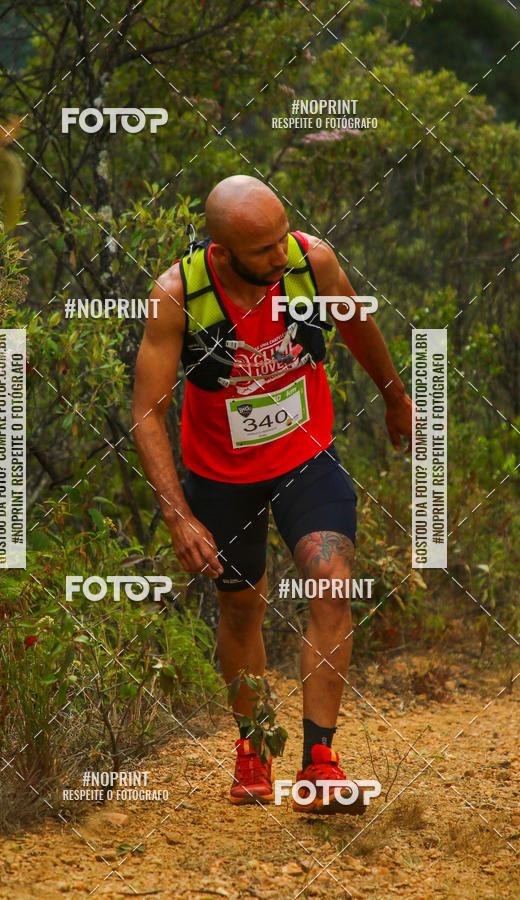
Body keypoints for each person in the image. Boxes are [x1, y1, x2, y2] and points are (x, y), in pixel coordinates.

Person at [132, 175, 412, 812]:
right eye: (263, 250)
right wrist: (178, 516)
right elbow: (146, 412)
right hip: (220, 477)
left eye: (283, 236)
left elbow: (356, 322)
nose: (281, 255)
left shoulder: (310, 263)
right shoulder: (178, 295)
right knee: (241, 609)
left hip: (304, 458)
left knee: (331, 579)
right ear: (223, 253)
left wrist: (394, 395)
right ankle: (253, 745)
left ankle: (320, 762)